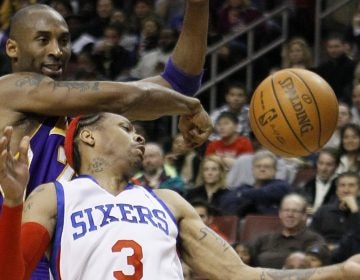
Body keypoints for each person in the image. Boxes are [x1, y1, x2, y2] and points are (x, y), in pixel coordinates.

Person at [3, 116, 360, 279]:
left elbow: (240, 275)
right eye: (127, 128)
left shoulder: (170, 201)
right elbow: (11, 275)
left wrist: (341, 272)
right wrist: (14, 204)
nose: (139, 138)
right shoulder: (54, 195)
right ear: (88, 137)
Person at [0, 2, 211, 279]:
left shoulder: (81, 113)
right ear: (12, 48)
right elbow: (127, 97)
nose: (56, 51)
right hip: (10, 251)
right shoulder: (9, 89)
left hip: (56, 258)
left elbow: (178, 83)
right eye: (43, 40)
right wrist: (189, 106)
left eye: (64, 41)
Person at [248, 193, 326, 269]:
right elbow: (245, 254)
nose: (290, 215)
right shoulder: (264, 238)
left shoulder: (313, 239)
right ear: (280, 214)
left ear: (304, 216)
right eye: (286, 210)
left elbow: (314, 263)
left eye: (295, 211)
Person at [222, 150, 292, 218]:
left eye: (267, 166)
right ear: (252, 170)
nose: (262, 169)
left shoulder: (282, 186)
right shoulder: (244, 188)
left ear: (275, 170)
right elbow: (226, 203)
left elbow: (263, 193)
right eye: (258, 166)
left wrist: (241, 195)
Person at [310, 171, 360, 250]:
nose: (346, 190)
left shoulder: (357, 213)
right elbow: (311, 237)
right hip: (325, 253)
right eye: (342, 185)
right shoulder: (323, 211)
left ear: (359, 191)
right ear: (337, 191)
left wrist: (355, 211)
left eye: (351, 186)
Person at [296, 147, 340, 215]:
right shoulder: (305, 185)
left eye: (329, 165)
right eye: (321, 163)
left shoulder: (342, 187)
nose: (323, 168)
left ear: (336, 166)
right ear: (316, 163)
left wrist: (318, 213)